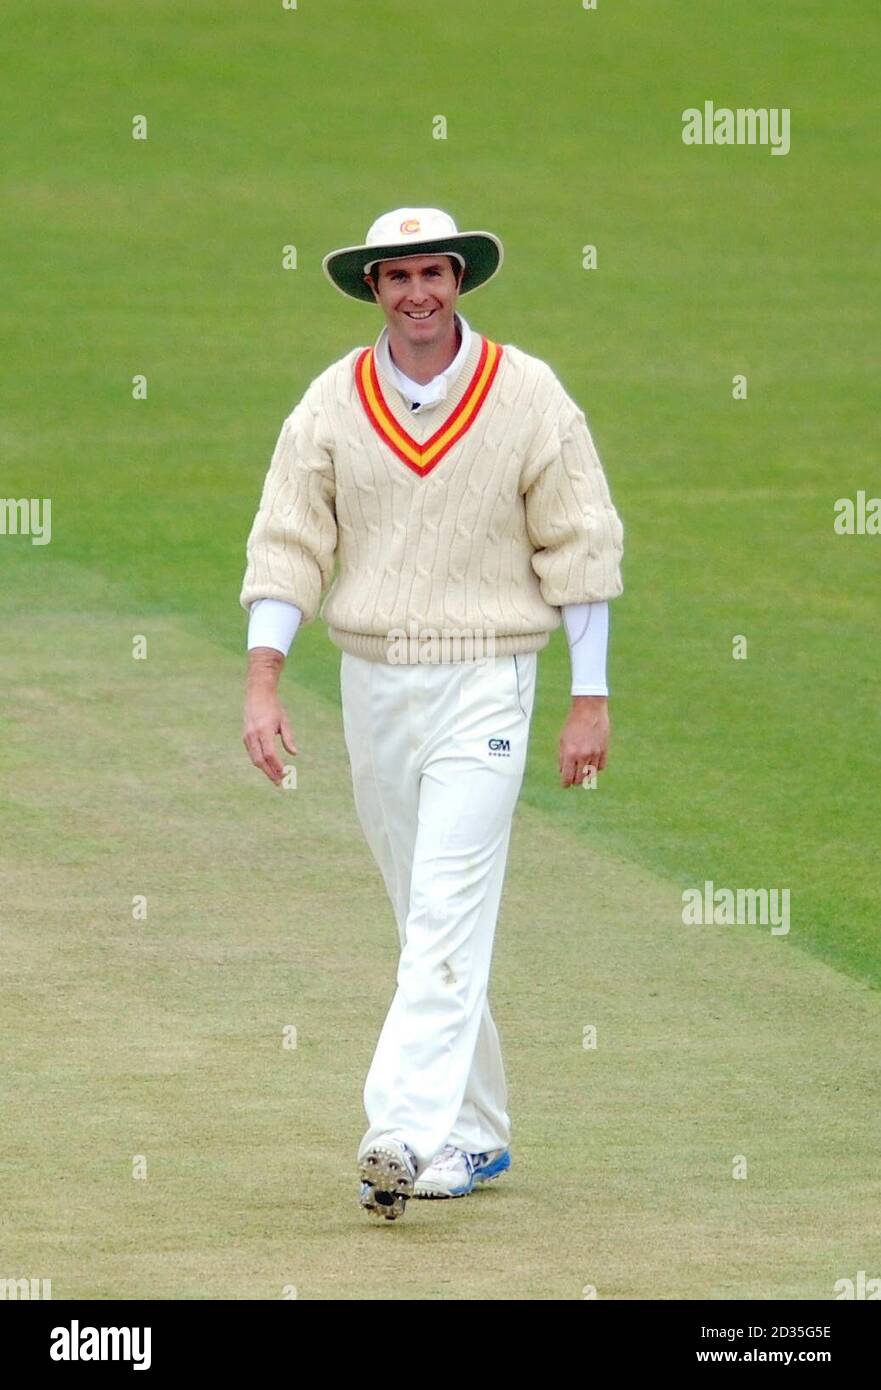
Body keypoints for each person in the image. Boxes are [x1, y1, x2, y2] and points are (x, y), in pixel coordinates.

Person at [240, 207, 624, 1221]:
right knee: (427, 915)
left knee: (446, 903)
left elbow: (578, 547)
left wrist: (590, 696)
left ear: (461, 281)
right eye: (398, 275)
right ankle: (478, 1134)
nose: (418, 292)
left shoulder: (527, 394)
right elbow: (289, 544)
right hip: (372, 683)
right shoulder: (331, 402)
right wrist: (262, 680)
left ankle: (398, 1134)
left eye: (435, 273)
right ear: (374, 288)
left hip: (487, 680)